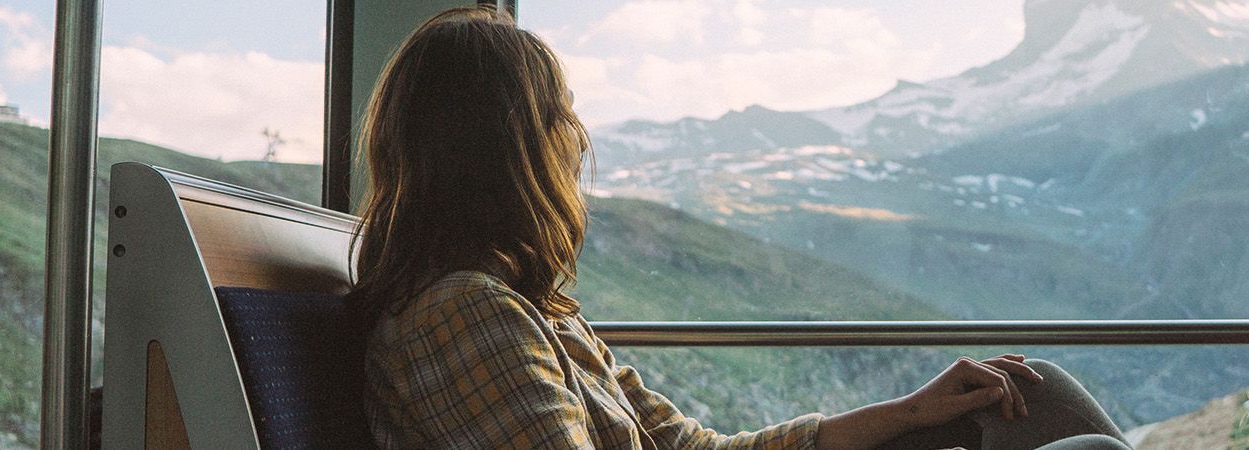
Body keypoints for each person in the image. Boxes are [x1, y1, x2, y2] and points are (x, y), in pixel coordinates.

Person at [347, 6, 1129, 450]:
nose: (577, 137)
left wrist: (904, 412)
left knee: (1033, 392)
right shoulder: (464, 315)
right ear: (509, 150)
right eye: (558, 116)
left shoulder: (528, 312)